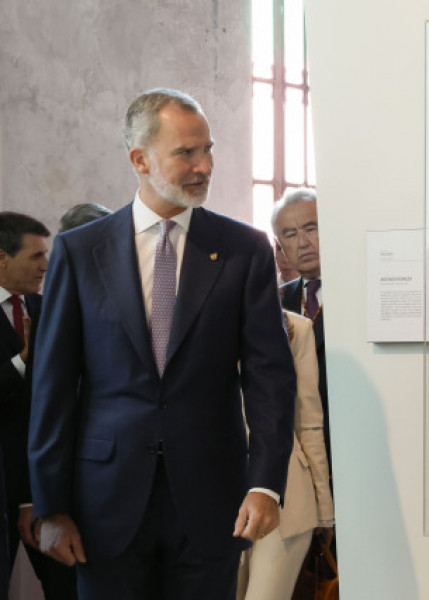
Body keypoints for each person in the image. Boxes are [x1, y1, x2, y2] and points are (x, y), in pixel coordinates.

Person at [28, 88, 296, 599]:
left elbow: (270, 378)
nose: (204, 166)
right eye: (186, 153)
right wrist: (50, 506)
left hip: (213, 499)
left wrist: (265, 484)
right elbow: (53, 385)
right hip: (102, 505)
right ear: (140, 159)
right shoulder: (81, 252)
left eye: (208, 149)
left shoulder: (243, 250)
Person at [237, 310, 334, 600]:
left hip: (288, 495)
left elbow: (308, 422)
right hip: (216, 491)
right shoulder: (194, 320)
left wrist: (325, 511)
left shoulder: (297, 327)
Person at [0, 213, 51, 598]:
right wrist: (24, 359)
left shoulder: (47, 307)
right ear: (3, 259)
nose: (45, 265)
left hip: (45, 486)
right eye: (35, 256)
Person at [271, 189, 330, 473]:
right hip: (298, 458)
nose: (303, 243)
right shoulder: (272, 303)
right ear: (279, 245)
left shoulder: (362, 292)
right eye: (290, 235)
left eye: (311, 228)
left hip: (355, 445)